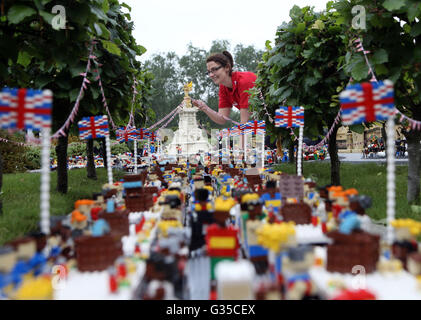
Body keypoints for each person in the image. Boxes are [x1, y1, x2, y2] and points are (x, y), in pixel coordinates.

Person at [192, 51, 256, 125]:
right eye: (208, 72)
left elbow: (245, 122)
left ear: (227, 67)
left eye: (214, 70)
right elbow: (222, 119)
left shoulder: (244, 81)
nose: (211, 75)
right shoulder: (223, 87)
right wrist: (205, 108)